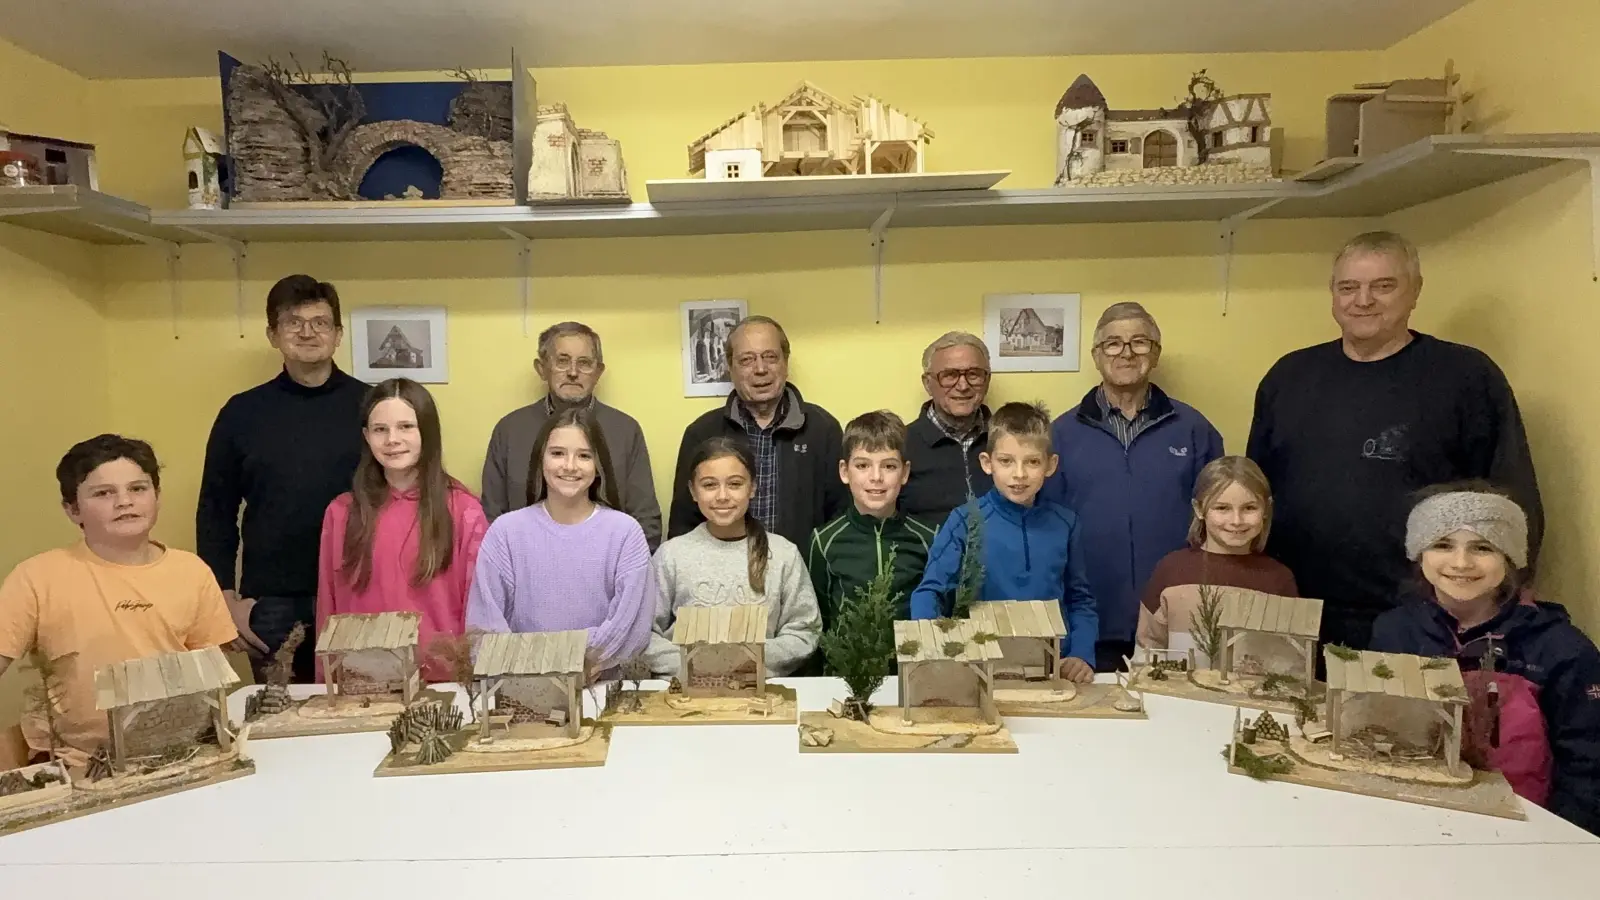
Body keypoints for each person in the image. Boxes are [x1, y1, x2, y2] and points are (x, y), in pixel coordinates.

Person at [1248, 231, 1543, 650]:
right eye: (1348, 288)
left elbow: (1510, 500)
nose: (1362, 300)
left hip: (1421, 617)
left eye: (1382, 286)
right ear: (1333, 295)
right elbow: (1257, 493)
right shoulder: (1289, 377)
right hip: (1297, 609)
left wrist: (1511, 598)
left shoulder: (1466, 377)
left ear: (1415, 291)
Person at [1370, 484, 1600, 836]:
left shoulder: (1562, 650)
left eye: (1483, 547)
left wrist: (1559, 842)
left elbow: (1587, 767)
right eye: (1443, 545)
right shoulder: (1393, 631)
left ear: (1510, 559)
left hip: (1520, 832)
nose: (1461, 563)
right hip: (1414, 818)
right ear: (1419, 553)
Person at [0, 435, 237, 768]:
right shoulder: (36, 577)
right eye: (103, 493)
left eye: (138, 489)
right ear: (72, 510)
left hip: (178, 755)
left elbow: (209, 675)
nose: (124, 502)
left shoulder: (192, 571)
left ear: (157, 496)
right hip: (74, 763)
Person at [196, 274, 367, 683]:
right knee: (280, 719)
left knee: (364, 715)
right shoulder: (242, 413)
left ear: (338, 334)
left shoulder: (371, 407)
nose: (307, 332)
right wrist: (224, 598)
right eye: (293, 322)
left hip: (359, 593)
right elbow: (215, 512)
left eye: (320, 322)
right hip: (272, 604)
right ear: (273, 334)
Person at [1041, 301, 1223, 672]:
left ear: (1155, 354)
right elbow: (1048, 528)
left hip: (1175, 623)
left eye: (1139, 343)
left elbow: (1218, 525)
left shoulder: (1193, 429)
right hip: (1089, 623)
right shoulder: (1060, 434)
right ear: (1096, 355)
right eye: (1113, 344)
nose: (1126, 353)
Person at [909, 402, 1098, 682]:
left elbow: (1080, 599)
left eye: (1032, 462)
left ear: (1050, 465)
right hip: (980, 669)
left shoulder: (1066, 524)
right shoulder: (964, 521)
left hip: (1053, 670)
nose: (1019, 474)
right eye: (1006, 461)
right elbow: (929, 593)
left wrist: (1081, 654)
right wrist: (934, 651)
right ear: (988, 463)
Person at [317, 379, 488, 682]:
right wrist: (326, 681)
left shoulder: (464, 511)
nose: (392, 439)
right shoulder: (341, 513)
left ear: (428, 433)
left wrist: (473, 682)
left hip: (444, 686)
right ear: (366, 437)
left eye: (406, 426)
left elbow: (478, 612)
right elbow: (328, 609)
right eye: (380, 429)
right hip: (362, 686)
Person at [466, 407, 655, 673]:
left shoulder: (626, 534)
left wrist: (568, 663)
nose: (569, 466)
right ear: (540, 459)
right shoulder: (505, 533)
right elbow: (485, 625)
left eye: (584, 456)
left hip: (604, 688)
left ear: (598, 465)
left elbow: (630, 629)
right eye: (557, 453)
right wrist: (535, 674)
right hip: (519, 688)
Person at [646, 437, 821, 677]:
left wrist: (746, 660)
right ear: (693, 491)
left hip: (761, 696)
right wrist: (694, 665)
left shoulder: (783, 555)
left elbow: (804, 630)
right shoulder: (671, 556)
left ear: (753, 488)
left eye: (735, 484)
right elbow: (644, 634)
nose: (722, 496)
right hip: (682, 697)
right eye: (709, 485)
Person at [668, 315, 845, 550]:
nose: (760, 369)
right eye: (747, 360)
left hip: (801, 576)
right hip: (721, 579)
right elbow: (683, 524)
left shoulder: (823, 429)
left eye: (770, 357)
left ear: (786, 363)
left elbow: (840, 517)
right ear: (730, 368)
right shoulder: (702, 433)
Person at [481, 321, 661, 547]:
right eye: (562, 361)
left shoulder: (625, 430)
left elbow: (646, 521)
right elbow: (490, 519)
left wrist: (624, 570)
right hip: (526, 567)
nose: (573, 372)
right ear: (541, 368)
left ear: (598, 372)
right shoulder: (510, 430)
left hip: (606, 570)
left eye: (584, 363)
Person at [1135, 456, 1298, 658]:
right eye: (1222, 508)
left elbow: (1290, 661)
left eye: (1249, 508)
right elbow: (1148, 649)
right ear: (1199, 509)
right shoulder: (1170, 571)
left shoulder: (1279, 580)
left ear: (1266, 509)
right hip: (1175, 689)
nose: (1236, 521)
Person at [807, 411, 939, 630]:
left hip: (912, 660)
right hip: (847, 662)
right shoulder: (824, 541)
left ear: (904, 473)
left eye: (889, 466)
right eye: (862, 466)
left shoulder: (930, 537)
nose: (876, 477)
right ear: (844, 471)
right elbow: (819, 621)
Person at [901, 331, 994, 527]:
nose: (963, 386)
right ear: (928, 383)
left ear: (987, 380)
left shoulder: (1011, 441)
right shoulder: (899, 445)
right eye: (949, 375)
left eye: (974, 374)